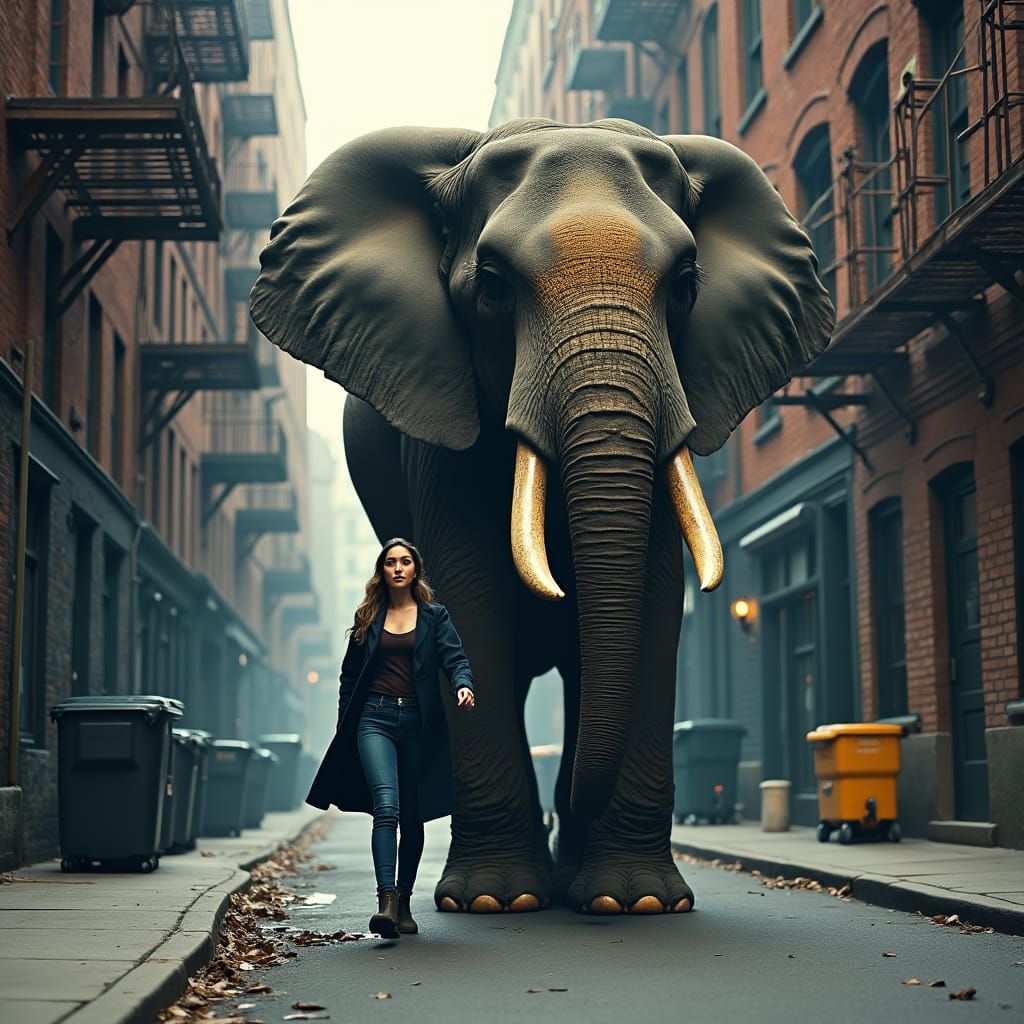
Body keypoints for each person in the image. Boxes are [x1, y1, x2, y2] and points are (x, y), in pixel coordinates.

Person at [306, 538, 475, 938]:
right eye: (390, 562)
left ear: (415, 569)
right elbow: (349, 676)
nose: (398, 568)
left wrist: (463, 684)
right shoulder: (368, 616)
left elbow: (455, 658)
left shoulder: (435, 616)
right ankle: (385, 901)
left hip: (417, 722)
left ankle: (404, 901)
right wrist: (344, 723)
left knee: (412, 817)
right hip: (373, 719)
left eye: (405, 562)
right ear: (381, 571)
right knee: (387, 806)